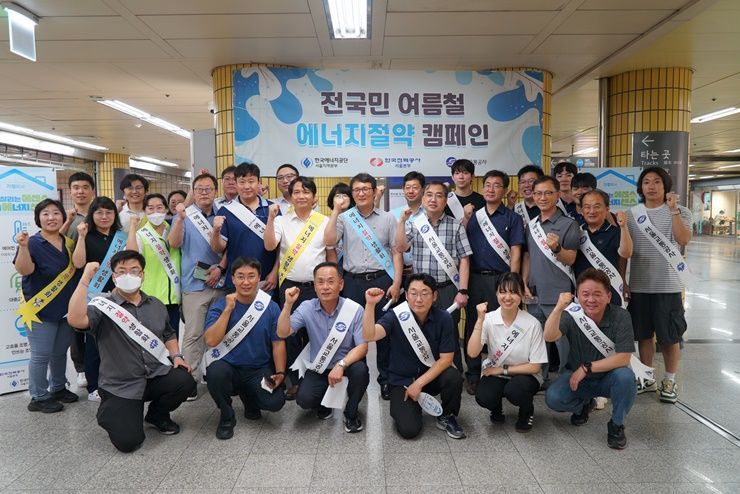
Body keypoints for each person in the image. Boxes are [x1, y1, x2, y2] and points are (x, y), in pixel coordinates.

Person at [67, 251, 196, 452]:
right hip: (121, 384)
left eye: (134, 270)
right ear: (114, 277)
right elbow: (75, 319)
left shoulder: (156, 304)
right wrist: (84, 280)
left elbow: (169, 333)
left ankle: (156, 415)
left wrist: (177, 356)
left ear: (142, 275)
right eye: (122, 271)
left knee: (185, 380)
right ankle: (110, 411)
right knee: (128, 442)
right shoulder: (103, 307)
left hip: (154, 375)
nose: (129, 275)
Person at [325, 172, 402, 400]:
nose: (361, 193)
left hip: (382, 281)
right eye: (356, 190)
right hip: (352, 283)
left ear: (374, 191)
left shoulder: (388, 218)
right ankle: (355, 380)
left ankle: (386, 380)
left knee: (385, 333)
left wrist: (397, 282)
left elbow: (396, 251)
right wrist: (335, 211)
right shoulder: (344, 218)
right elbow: (329, 241)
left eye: (365, 189)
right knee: (352, 334)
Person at [363, 274, 465, 439]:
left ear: (434, 296)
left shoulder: (444, 318)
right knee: (409, 430)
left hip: (430, 378)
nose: (419, 299)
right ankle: (412, 407)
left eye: (425, 293)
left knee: (453, 376)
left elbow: (446, 359)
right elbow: (370, 335)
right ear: (406, 295)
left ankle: (447, 415)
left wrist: (418, 384)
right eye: (413, 293)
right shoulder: (395, 316)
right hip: (402, 381)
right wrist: (370, 305)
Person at [544, 269, 637, 449]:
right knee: (553, 397)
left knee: (626, 377)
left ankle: (616, 424)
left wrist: (587, 367)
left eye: (597, 294)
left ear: (609, 296)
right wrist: (558, 308)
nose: (591, 299)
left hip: (609, 377)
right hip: (577, 378)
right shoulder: (572, 314)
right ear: (577, 296)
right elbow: (549, 336)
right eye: (585, 294)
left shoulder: (621, 316)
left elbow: (623, 358)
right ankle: (584, 406)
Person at [277, 262, 369, 432]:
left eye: (330, 281)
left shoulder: (354, 309)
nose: (325, 287)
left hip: (346, 364)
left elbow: (363, 347)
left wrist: (341, 365)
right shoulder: (307, 307)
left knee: (361, 371)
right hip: (320, 366)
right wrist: (288, 304)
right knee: (304, 400)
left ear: (341, 285)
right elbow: (283, 332)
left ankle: (351, 413)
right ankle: (324, 405)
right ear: (315, 286)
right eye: (320, 282)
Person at [626, 166, 692, 402]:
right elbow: (625, 251)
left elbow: (683, 239)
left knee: (669, 336)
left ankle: (670, 380)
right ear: (640, 187)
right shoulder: (632, 214)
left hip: (668, 286)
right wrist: (624, 281)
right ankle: (647, 378)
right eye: (646, 182)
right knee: (643, 335)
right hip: (640, 284)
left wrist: (673, 211)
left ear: (665, 186)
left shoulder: (681, 211)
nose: (651, 186)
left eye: (656, 182)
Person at [264, 176, 332, 399]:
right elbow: (270, 245)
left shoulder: (323, 221)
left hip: (317, 287)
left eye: (306, 192)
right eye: (296, 192)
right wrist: (270, 218)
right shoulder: (281, 221)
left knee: (317, 332)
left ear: (314, 197)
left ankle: (317, 377)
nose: (301, 196)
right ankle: (294, 380)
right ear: (290, 197)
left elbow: (330, 252)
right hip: (290, 287)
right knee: (290, 334)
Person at [203, 257, 286, 439]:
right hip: (229, 367)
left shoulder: (271, 307)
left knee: (275, 402)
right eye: (240, 277)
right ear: (233, 279)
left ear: (259, 278)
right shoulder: (220, 305)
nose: (246, 282)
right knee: (215, 373)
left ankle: (249, 398)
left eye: (251, 276)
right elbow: (210, 340)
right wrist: (228, 310)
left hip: (258, 369)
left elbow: (278, 343)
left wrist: (280, 373)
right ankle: (227, 417)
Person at [395, 181, 472, 373]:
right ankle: (423, 373)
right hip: (421, 292)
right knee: (420, 331)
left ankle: (454, 374)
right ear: (423, 199)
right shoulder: (415, 223)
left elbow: (464, 259)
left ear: (445, 201)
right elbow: (401, 247)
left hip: (447, 289)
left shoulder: (456, 226)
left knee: (449, 332)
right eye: (429, 195)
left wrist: (462, 290)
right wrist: (402, 222)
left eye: (439, 195)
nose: (433, 199)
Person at [14, 199, 82, 413]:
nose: (51, 217)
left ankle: (58, 387)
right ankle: (38, 396)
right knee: (41, 355)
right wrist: (22, 247)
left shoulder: (67, 242)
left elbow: (77, 265)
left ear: (63, 216)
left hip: (65, 309)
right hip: (40, 310)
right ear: (38, 219)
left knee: (60, 352)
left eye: (56, 213)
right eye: (45, 213)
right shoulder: (32, 242)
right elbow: (24, 270)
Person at [463, 170, 525, 394]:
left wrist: (512, 283)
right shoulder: (474, 216)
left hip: (501, 280)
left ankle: (499, 371)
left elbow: (516, 252)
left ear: (504, 190)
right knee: (474, 324)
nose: (490, 189)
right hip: (475, 278)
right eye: (487, 185)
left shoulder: (512, 218)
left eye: (496, 185)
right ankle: (472, 374)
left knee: (502, 325)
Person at [468, 272, 547, 432]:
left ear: (522, 294)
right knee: (484, 397)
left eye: (513, 292)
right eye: (503, 292)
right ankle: (496, 408)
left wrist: (501, 369)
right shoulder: (489, 319)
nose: (508, 297)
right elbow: (472, 353)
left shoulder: (532, 324)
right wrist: (480, 320)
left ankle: (526, 411)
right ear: (496, 293)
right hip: (497, 372)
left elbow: (535, 367)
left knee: (516, 391)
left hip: (525, 375)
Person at [168, 173, 226, 393]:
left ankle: (215, 375)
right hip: (194, 285)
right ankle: (189, 381)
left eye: (208, 189)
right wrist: (180, 219)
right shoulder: (185, 215)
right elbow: (174, 243)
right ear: (193, 192)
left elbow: (229, 248)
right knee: (193, 334)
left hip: (220, 283)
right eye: (199, 189)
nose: (204, 193)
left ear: (215, 192)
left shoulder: (224, 214)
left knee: (220, 332)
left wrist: (220, 269)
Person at [522, 176, 580, 380]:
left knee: (562, 341)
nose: (542, 197)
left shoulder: (569, 224)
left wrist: (556, 248)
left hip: (559, 294)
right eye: (538, 193)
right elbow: (528, 256)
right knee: (538, 341)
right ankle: (540, 378)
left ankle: (567, 380)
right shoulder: (531, 225)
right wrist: (524, 282)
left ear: (557, 195)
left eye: (548, 193)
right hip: (534, 294)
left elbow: (571, 259)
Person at [71, 196, 127, 402]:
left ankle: (116, 380)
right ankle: (94, 386)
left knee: (116, 341)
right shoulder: (86, 235)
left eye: (109, 212)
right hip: (93, 297)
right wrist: (82, 237)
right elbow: (78, 263)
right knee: (94, 343)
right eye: (99, 212)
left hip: (118, 295)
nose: (104, 216)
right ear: (92, 215)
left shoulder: (119, 237)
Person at [211, 163, 278, 293]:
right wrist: (216, 231)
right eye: (242, 182)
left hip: (266, 281)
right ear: (236, 184)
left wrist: (275, 272)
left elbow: (281, 247)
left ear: (259, 182)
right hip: (237, 281)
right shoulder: (226, 210)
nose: (247, 186)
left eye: (251, 181)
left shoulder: (272, 208)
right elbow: (219, 248)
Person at [59, 171, 96, 388]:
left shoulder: (100, 212)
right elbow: (56, 241)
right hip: (73, 278)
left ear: (92, 190)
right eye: (76, 188)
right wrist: (68, 221)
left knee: (96, 322)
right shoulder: (65, 217)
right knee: (75, 323)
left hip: (99, 276)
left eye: (85, 187)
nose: (80, 191)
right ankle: (80, 368)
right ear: (70, 191)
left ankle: (97, 366)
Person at [126, 193, 182, 334]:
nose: (155, 212)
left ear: (166, 209)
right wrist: (133, 227)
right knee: (153, 337)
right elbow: (131, 256)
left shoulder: (174, 229)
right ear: (145, 211)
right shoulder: (141, 234)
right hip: (150, 297)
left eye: (159, 207)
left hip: (174, 297)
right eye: (150, 208)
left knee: (173, 337)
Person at [573, 190, 632, 307]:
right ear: (582, 210)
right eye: (587, 207)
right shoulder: (576, 232)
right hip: (584, 297)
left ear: (607, 209)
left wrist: (623, 227)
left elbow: (626, 253)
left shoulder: (615, 232)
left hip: (610, 295)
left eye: (597, 206)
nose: (591, 211)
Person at [390, 171, 425, 275]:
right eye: (407, 187)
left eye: (415, 187)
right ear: (403, 189)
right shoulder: (393, 214)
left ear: (423, 189)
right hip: (399, 272)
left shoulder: (430, 214)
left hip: (424, 270)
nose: (411, 191)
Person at [444, 159, 485, 223]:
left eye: (465, 173)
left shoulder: (482, 200)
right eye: (457, 173)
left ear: (472, 176)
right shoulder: (445, 200)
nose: (461, 177)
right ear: (452, 177)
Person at [326, 182, 354, 268]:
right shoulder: (327, 220)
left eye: (345, 195)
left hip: (352, 264)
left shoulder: (357, 220)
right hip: (333, 262)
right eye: (337, 196)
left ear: (351, 199)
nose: (341, 198)